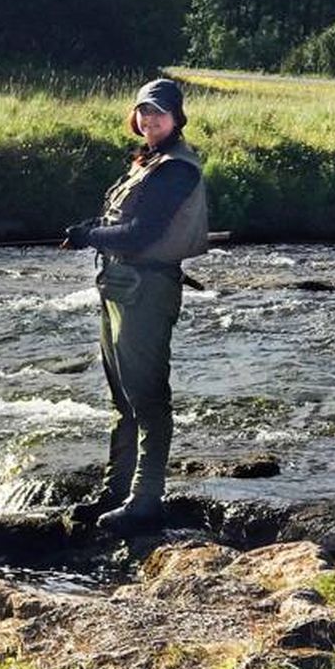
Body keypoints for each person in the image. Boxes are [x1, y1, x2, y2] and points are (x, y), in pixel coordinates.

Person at [63, 78, 209, 534]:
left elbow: (141, 234)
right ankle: (116, 490)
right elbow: (121, 224)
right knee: (121, 397)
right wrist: (90, 229)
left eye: (159, 113)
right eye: (144, 111)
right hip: (120, 284)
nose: (149, 119)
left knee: (146, 397)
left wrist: (88, 236)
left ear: (176, 118)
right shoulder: (148, 161)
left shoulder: (177, 169)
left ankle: (146, 500)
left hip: (147, 290)